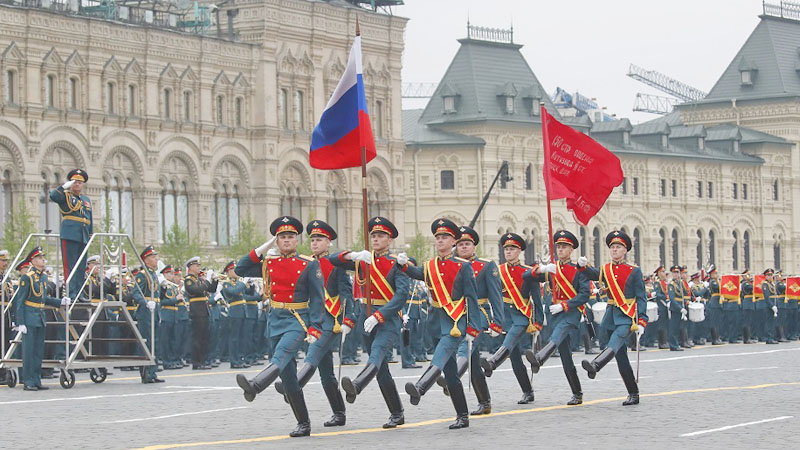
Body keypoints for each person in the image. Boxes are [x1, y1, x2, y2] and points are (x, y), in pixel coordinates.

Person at [234, 216, 324, 437]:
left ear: (296, 239)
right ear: (277, 240)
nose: (286, 240)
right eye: (282, 237)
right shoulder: (269, 263)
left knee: (282, 354)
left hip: (297, 319)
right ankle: (304, 423)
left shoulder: (309, 264)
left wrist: (315, 327)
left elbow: (318, 298)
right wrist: (264, 247)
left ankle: (256, 385)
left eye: (290, 237)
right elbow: (240, 268)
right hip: (275, 319)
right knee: (289, 376)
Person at [399, 219, 480, 429]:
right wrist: (403, 265)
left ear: (453, 241)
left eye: (444, 237)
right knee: (451, 374)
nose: (440, 240)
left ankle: (420, 387)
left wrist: (473, 327)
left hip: (455, 322)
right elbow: (417, 274)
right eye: (438, 237)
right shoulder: (430, 266)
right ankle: (462, 415)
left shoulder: (463, 266)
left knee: (441, 355)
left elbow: (471, 297)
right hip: (437, 322)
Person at [274, 220, 355, 427]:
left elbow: (347, 293)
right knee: (326, 372)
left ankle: (293, 385)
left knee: (313, 354)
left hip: (331, 320)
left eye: (320, 239)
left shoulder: (335, 264)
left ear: (328, 243)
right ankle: (339, 413)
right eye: (313, 240)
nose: (315, 243)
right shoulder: (305, 262)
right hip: (312, 320)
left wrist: (348, 319)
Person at [338, 216, 410, 429]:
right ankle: (397, 413)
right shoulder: (363, 261)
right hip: (365, 317)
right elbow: (334, 260)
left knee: (378, 352)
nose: (376, 239)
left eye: (381, 236)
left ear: (390, 240)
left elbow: (401, 296)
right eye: (374, 236)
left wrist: (380, 315)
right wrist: (352, 254)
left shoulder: (397, 263)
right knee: (381, 369)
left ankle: (357, 385)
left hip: (387, 318)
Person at [581, 231, 648, 405]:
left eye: (618, 247)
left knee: (617, 340)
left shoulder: (634, 271)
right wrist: (582, 266)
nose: (614, 250)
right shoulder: (606, 269)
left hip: (627, 315)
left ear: (625, 250)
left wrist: (642, 320)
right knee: (620, 356)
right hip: (611, 314)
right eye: (612, 247)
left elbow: (641, 297)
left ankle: (596, 365)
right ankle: (633, 392)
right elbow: (592, 274)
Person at [442, 225, 503, 416]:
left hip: (479, 314)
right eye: (460, 244)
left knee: (463, 347)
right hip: (457, 314)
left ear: (474, 246)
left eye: (467, 244)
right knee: (474, 361)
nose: (464, 247)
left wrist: (497, 323)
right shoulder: (451, 265)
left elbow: (496, 296)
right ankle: (484, 402)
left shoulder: (486, 266)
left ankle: (452, 377)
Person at [525, 230, 590, 406]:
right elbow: (527, 276)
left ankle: (540, 357)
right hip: (555, 314)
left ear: (571, 249)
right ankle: (577, 393)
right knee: (566, 356)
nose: (560, 250)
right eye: (558, 246)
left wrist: (565, 305)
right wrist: (543, 268)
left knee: (559, 334)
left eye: (564, 247)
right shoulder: (552, 268)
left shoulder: (579, 269)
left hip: (570, 313)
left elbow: (585, 294)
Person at [480, 232, 543, 405]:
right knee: (515, 359)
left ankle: (493, 362)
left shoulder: (528, 272)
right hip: (506, 316)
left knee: (509, 340)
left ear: (519, 251)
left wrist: (538, 321)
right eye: (506, 249)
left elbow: (537, 299)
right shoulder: (498, 271)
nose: (508, 252)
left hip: (522, 316)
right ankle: (527, 392)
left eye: (512, 249)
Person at [13, 247, 70, 390]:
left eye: (43, 258)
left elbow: (44, 298)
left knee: (38, 351)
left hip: (40, 316)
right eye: (39, 258)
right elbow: (19, 301)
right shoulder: (27, 277)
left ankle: (36, 380)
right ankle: (28, 381)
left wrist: (60, 302)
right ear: (33, 261)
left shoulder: (43, 277)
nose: (43, 260)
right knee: (29, 351)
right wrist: (20, 322)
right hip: (29, 317)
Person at [49, 169, 93, 299]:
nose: (77, 184)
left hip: (83, 235)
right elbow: (53, 196)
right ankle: (71, 292)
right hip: (70, 234)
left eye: (80, 182)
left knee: (81, 266)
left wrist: (90, 235)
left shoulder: (86, 199)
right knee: (70, 265)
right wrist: (63, 187)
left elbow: (89, 218)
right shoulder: (65, 195)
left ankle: (79, 293)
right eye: (75, 182)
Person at [133, 246, 164, 383]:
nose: (156, 259)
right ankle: (145, 373)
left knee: (155, 341)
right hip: (146, 311)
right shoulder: (142, 274)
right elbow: (136, 293)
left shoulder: (153, 274)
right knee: (147, 341)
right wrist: (146, 302)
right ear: (145, 260)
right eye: (152, 257)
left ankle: (152, 372)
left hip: (155, 309)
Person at [221, 261, 261, 369]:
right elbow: (234, 292)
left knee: (241, 337)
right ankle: (234, 361)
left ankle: (240, 359)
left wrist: (251, 285)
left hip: (243, 311)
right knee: (234, 338)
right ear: (229, 271)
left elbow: (249, 293)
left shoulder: (238, 282)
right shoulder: (226, 283)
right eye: (234, 269)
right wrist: (243, 283)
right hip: (234, 311)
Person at [184, 257, 217, 370]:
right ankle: (196, 362)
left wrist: (214, 280)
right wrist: (207, 280)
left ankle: (203, 361)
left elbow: (211, 289)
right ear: (191, 267)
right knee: (197, 338)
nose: (199, 268)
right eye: (197, 266)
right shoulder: (189, 279)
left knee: (204, 337)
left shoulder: (199, 279)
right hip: (196, 310)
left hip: (203, 309)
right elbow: (196, 290)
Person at [761, 269, 779, 345]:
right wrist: (772, 306)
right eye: (768, 275)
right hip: (768, 306)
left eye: (771, 275)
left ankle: (771, 337)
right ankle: (769, 338)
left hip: (773, 305)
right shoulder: (765, 284)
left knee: (772, 322)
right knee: (769, 322)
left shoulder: (772, 284)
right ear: (765, 276)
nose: (770, 276)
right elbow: (767, 297)